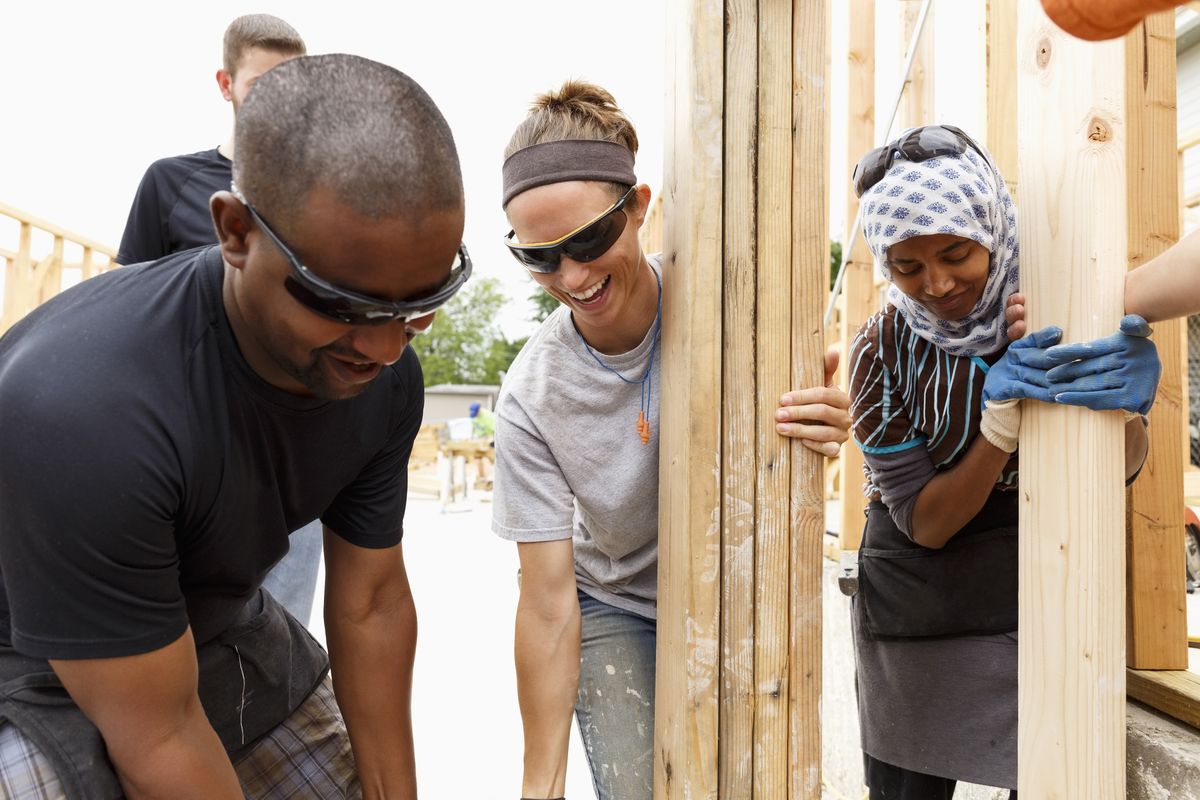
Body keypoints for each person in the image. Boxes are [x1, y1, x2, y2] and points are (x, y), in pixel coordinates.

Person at [0, 54, 468, 798]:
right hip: (28, 664)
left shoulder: (384, 377)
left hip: (212, 625)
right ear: (235, 231)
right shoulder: (87, 410)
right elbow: (158, 734)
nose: (382, 348)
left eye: (417, 305)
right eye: (341, 304)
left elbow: (371, 605)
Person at [491, 80, 853, 800]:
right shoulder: (533, 396)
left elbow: (796, 439)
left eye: (590, 239)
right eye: (539, 258)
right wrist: (541, 783)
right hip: (616, 602)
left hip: (739, 587)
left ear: (639, 207)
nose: (572, 276)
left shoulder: (734, 309)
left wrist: (819, 425)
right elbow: (548, 602)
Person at [846, 124, 1155, 799]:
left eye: (956, 252)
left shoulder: (1058, 303)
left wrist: (1122, 411)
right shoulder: (880, 350)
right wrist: (998, 428)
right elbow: (925, 523)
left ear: (991, 226)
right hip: (922, 602)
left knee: (1055, 773)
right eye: (906, 265)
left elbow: (1119, 470)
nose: (937, 283)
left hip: (1043, 589)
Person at [115, 14, 323, 628]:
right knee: (172, 634)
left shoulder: (322, 195)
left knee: (278, 640)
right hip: (183, 449)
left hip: (287, 451)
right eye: (262, 84)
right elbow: (125, 312)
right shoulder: (170, 182)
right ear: (225, 83)